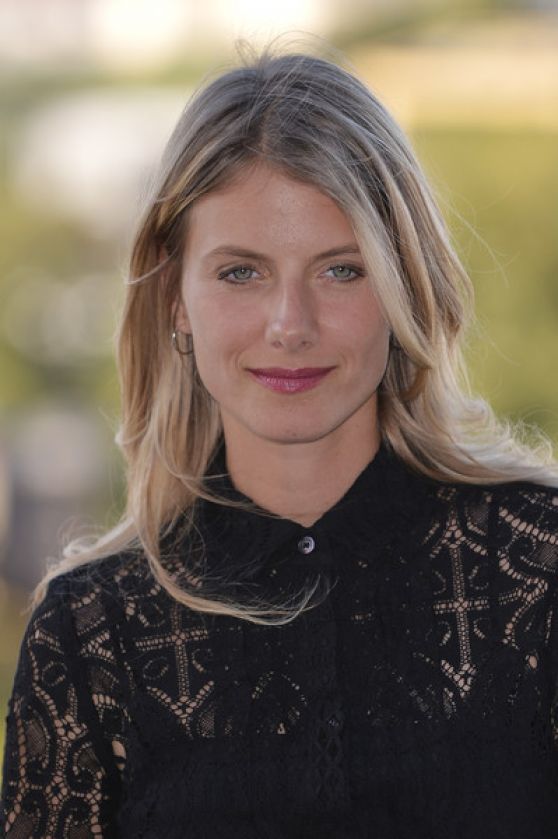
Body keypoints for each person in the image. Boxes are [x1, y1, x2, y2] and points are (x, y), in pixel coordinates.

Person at [2, 42, 558, 839]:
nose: (290, 326)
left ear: (406, 283)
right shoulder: (91, 637)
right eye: (241, 272)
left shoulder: (539, 575)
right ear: (174, 295)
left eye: (341, 270)